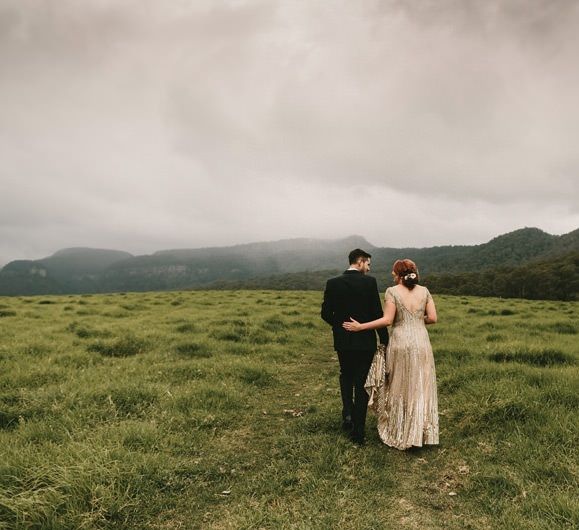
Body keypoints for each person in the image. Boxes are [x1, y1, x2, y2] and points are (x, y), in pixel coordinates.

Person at [342, 259, 439, 450]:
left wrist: (361, 326)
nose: (392, 276)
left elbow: (387, 320)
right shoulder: (425, 291)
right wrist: (417, 320)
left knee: (399, 384)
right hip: (421, 341)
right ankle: (421, 432)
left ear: (398, 274)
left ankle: (400, 430)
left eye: (393, 273)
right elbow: (433, 318)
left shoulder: (392, 292)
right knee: (420, 384)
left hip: (401, 342)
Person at [321, 249, 389, 445]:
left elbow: (325, 313)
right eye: (367, 264)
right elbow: (377, 313)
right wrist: (385, 339)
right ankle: (358, 432)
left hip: (343, 341)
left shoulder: (332, 283)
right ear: (359, 262)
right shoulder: (369, 282)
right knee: (361, 383)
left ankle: (347, 413)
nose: (368, 268)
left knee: (345, 374)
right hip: (365, 342)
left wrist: (340, 326)